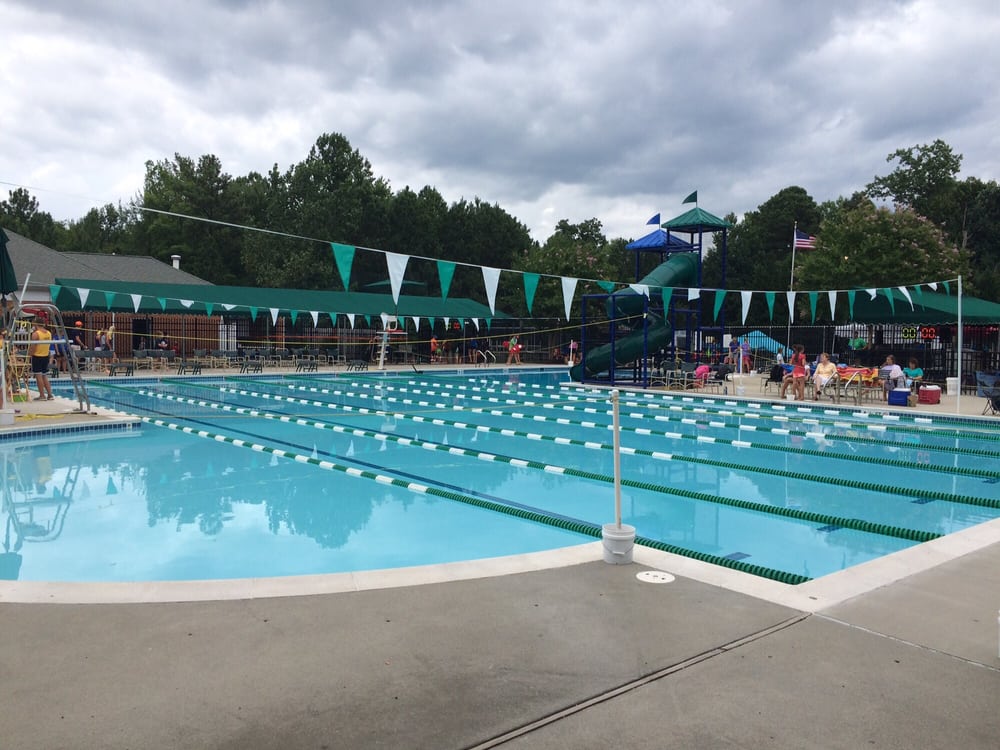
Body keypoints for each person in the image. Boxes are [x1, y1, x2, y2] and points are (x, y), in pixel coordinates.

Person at [29, 319, 55, 401]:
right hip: (45, 356)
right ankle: (50, 394)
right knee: (44, 376)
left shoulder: (36, 334)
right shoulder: (48, 333)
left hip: (37, 356)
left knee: (38, 376)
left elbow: (33, 347)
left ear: (36, 325)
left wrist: (29, 355)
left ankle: (42, 395)